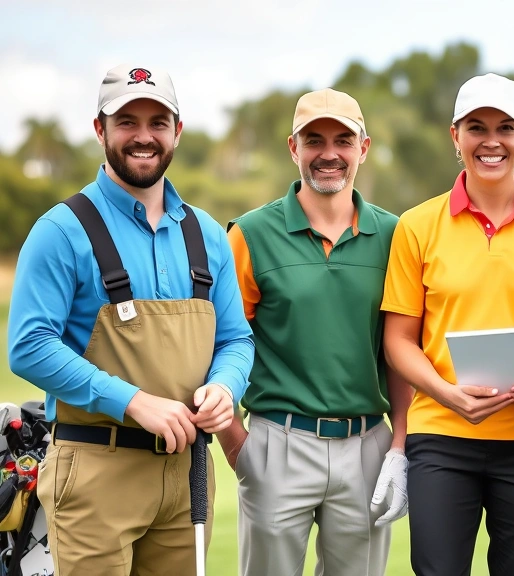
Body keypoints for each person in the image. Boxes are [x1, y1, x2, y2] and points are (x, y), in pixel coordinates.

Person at [7, 64, 254, 575]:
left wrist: (224, 389)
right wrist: (134, 401)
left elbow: (236, 339)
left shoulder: (208, 235)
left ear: (177, 131)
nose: (144, 136)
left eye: (158, 122)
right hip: (96, 468)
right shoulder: (61, 230)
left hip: (188, 473)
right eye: (127, 122)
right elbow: (29, 344)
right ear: (100, 130)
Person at [381, 73, 514, 576]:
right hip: (441, 438)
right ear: (456, 137)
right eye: (476, 127)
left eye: (505, 127)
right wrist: (446, 393)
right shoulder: (417, 225)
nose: (491, 141)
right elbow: (398, 341)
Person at [216, 88, 413, 576]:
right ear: (293, 148)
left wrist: (399, 447)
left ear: (363, 149)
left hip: (367, 444)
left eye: (343, 140)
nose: (329, 153)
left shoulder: (396, 236)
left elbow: (401, 350)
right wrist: (237, 442)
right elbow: (221, 344)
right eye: (314, 140)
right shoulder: (250, 234)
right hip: (276, 442)